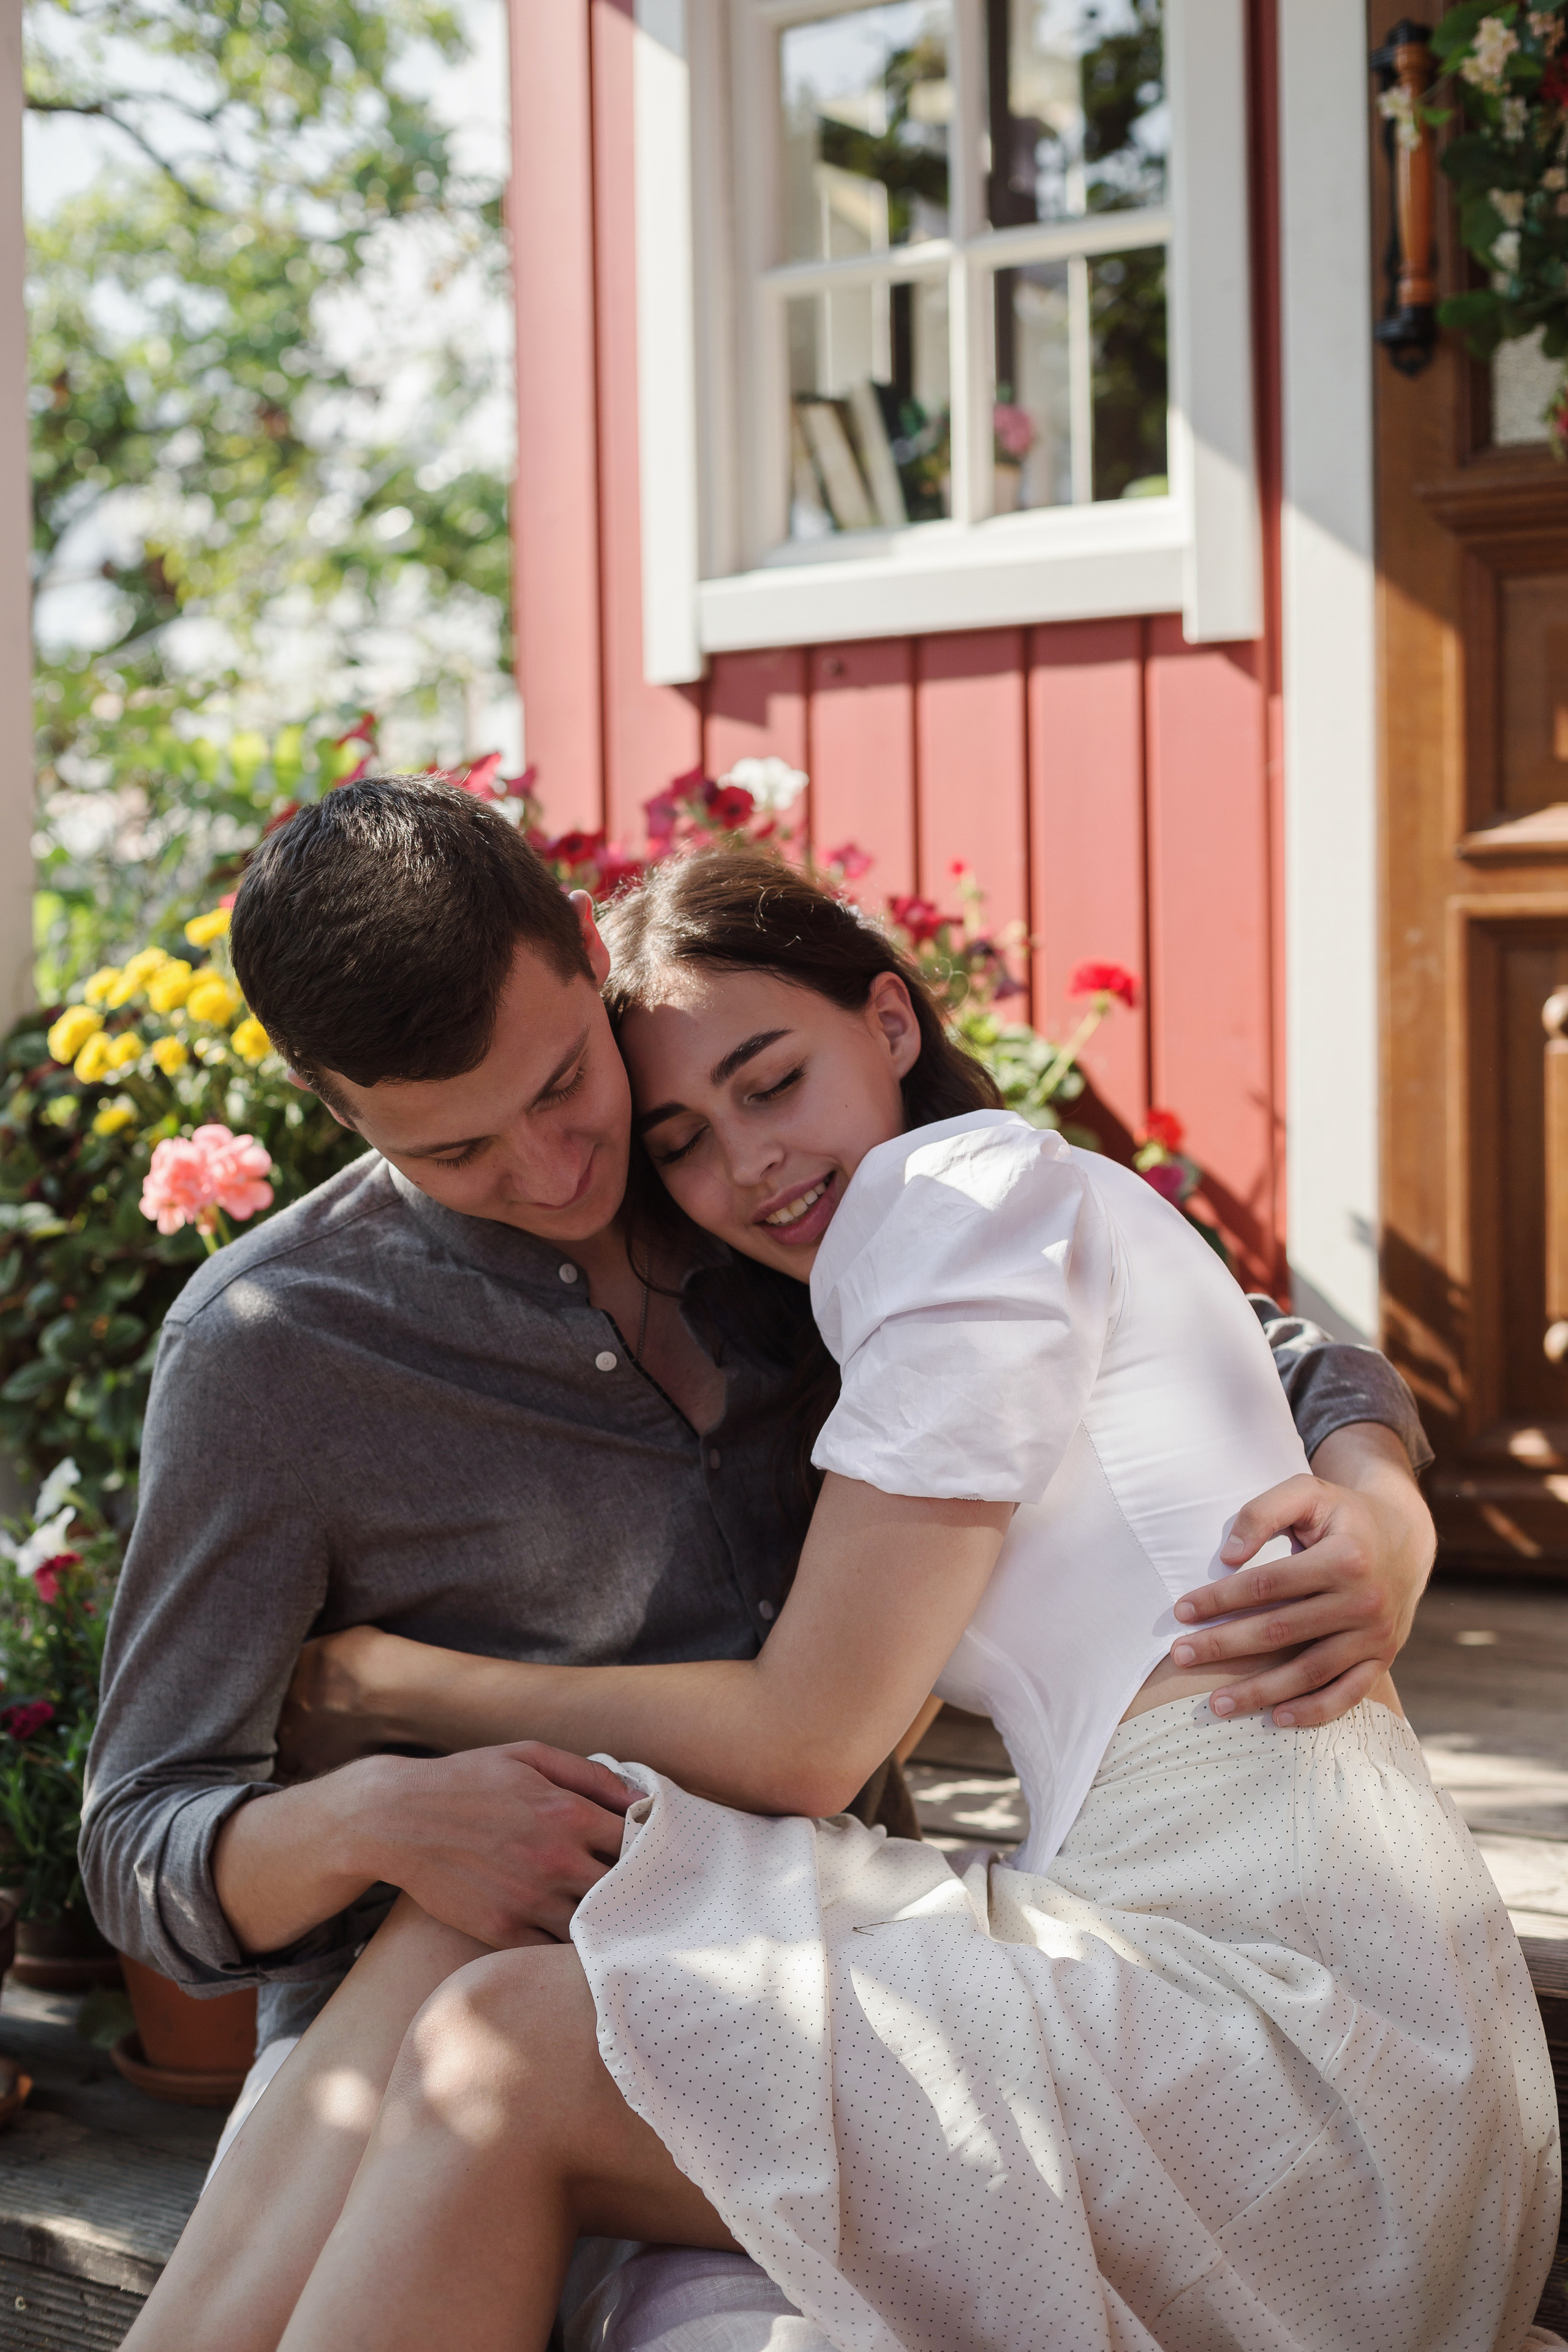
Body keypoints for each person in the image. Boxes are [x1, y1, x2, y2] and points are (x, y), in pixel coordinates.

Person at [120, 850, 1557, 2352]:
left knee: (517, 1965)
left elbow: (1238, 1348)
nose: (553, 1171)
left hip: (1257, 1979)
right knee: (508, 1894)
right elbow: (137, 1832)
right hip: (629, 1956)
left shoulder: (847, 1208)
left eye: (566, 1091)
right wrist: (371, 1817)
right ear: (337, 1114)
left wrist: (1383, 1494)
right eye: (462, 1155)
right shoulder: (277, 1345)